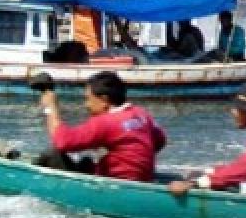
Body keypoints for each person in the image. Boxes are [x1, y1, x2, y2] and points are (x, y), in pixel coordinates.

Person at [35, 70, 167, 181]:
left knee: (52, 154)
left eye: (88, 99)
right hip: (142, 178)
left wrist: (51, 108)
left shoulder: (106, 122)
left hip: (117, 182)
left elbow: (62, 142)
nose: (86, 105)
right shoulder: (141, 114)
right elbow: (160, 141)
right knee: (86, 162)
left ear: (104, 100)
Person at [168, 83, 246, 197]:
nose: (233, 112)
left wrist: (198, 183)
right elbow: (243, 167)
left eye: (237, 109)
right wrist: (210, 172)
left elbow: (245, 170)